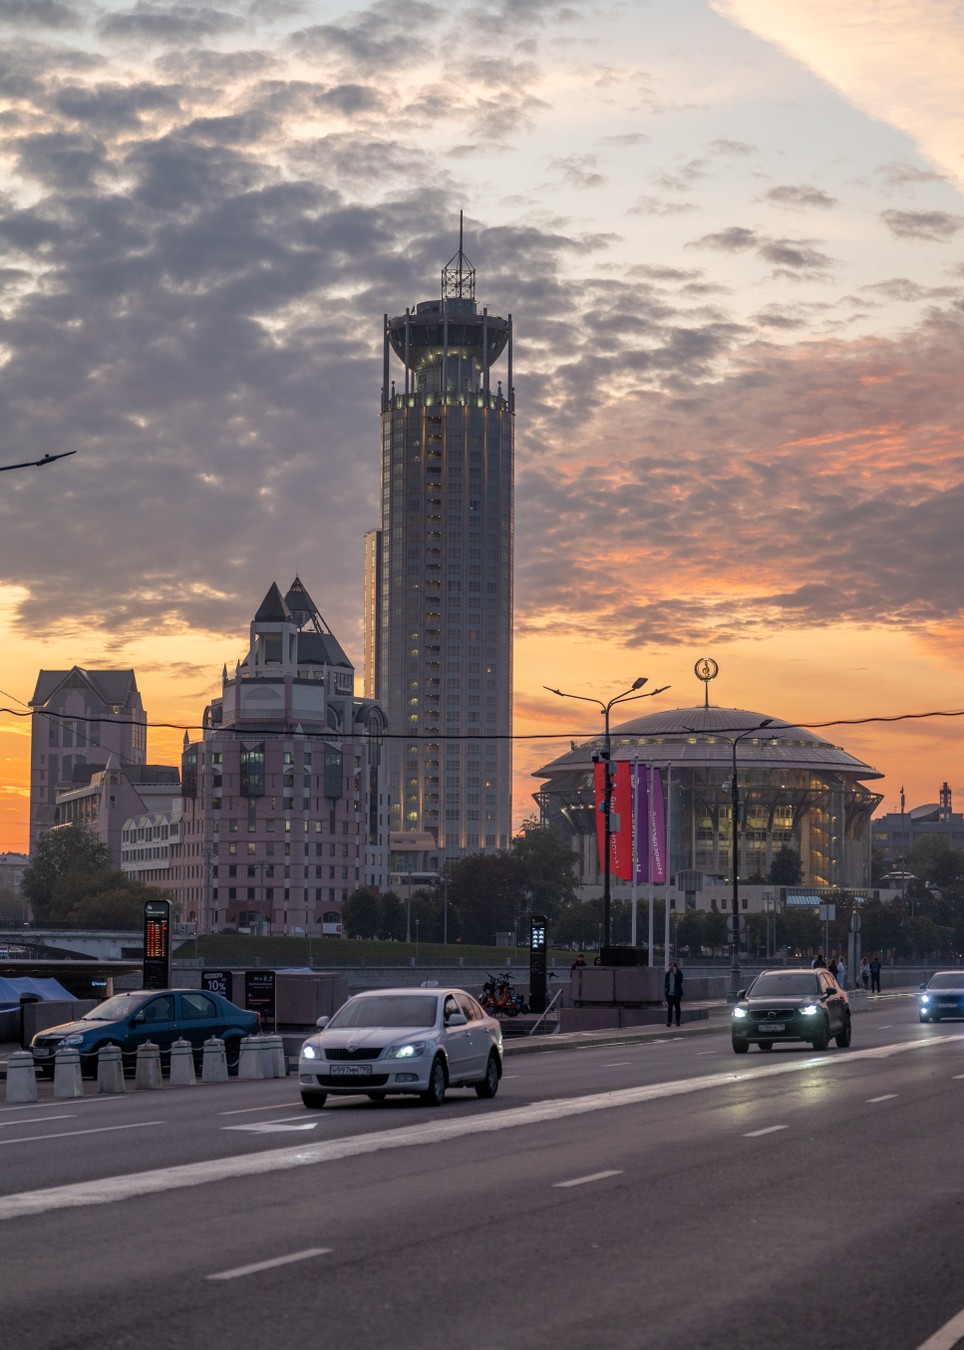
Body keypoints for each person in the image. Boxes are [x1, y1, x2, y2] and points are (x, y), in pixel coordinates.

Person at [665, 961, 683, 1027]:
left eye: (672, 966)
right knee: (669, 1009)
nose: (671, 967)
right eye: (670, 966)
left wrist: (675, 974)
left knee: (677, 1008)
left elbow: (679, 981)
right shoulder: (668, 974)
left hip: (677, 994)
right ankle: (669, 1022)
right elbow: (666, 984)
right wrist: (665, 994)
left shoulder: (679, 973)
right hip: (669, 994)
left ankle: (678, 1021)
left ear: (675, 967)